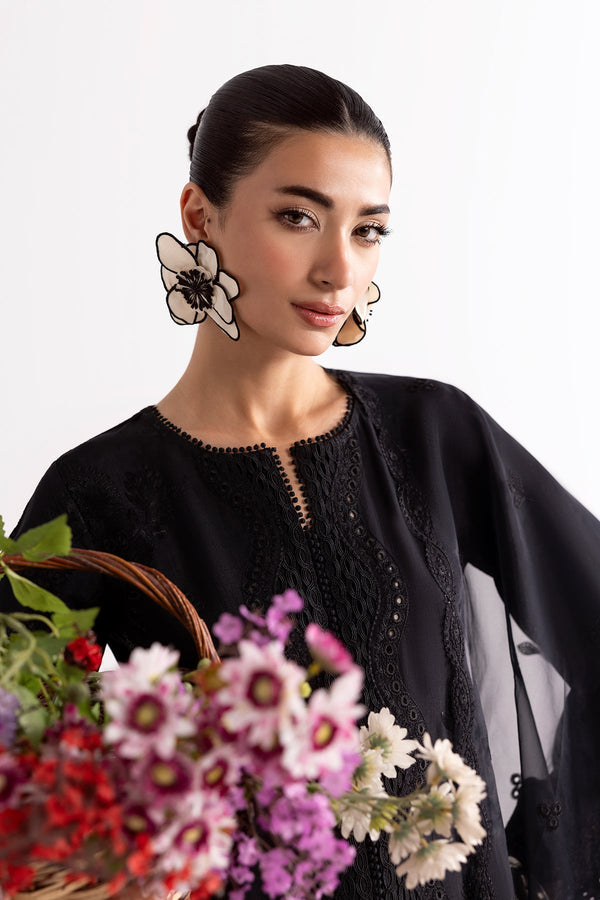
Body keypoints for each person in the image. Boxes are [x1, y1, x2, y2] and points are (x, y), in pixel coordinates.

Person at [2, 64, 599, 900]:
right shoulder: (97, 492)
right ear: (198, 216)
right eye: (298, 217)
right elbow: (21, 774)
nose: (337, 270)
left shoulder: (435, 434)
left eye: (368, 230)